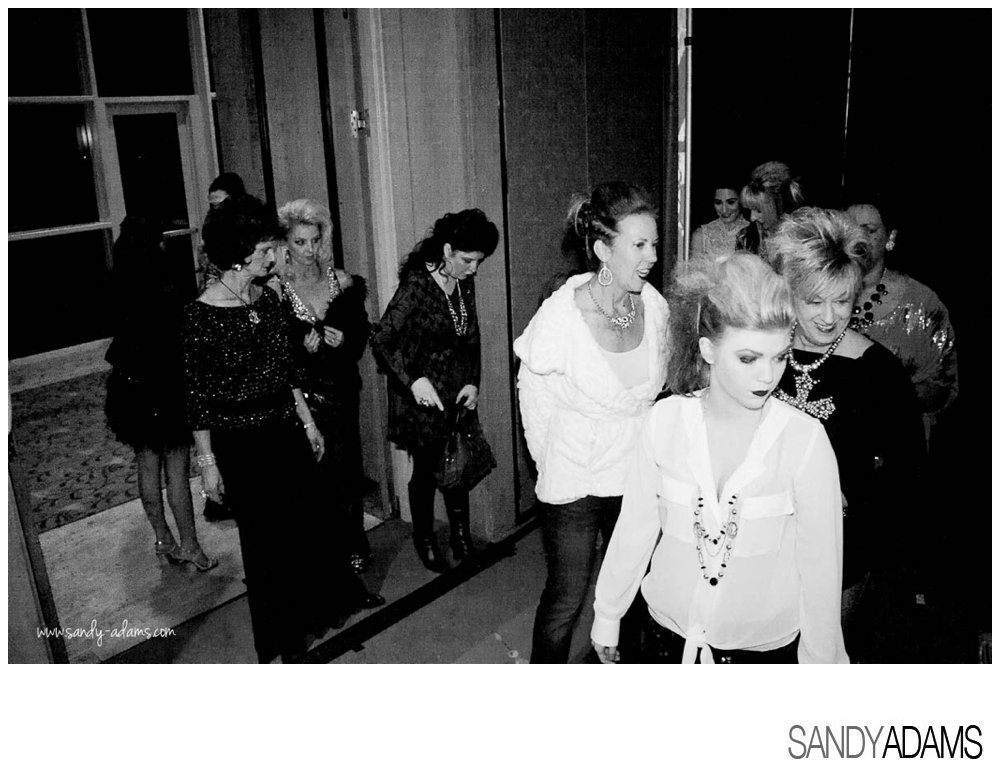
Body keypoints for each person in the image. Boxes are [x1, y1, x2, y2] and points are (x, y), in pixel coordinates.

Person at [591, 253, 848, 665]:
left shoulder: (805, 441)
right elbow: (635, 527)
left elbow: (821, 571)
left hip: (761, 657)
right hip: (662, 640)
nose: (768, 375)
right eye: (748, 358)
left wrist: (821, 665)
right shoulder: (664, 422)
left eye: (780, 356)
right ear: (708, 350)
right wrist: (608, 613)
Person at [181, 195, 383, 664]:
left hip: (285, 429)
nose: (274, 258)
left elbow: (285, 370)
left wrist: (308, 423)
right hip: (241, 444)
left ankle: (318, 610)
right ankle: (282, 637)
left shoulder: (265, 297)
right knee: (265, 543)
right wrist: (208, 463)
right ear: (238, 254)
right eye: (265, 250)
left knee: (306, 527)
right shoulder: (200, 314)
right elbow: (197, 399)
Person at [514, 182, 670, 664]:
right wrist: (549, 460)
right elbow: (533, 394)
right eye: (638, 245)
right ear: (603, 249)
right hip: (577, 472)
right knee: (567, 597)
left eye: (654, 244)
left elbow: (660, 393)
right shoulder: (562, 313)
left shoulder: (653, 306)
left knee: (638, 585)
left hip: (636, 470)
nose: (652, 257)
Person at [769, 207, 925, 658]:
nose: (828, 316)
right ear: (788, 294)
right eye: (813, 301)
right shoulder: (762, 353)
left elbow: (908, 480)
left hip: (841, 556)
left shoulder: (878, 372)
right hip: (763, 546)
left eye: (841, 301)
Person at [370, 209, 499, 572]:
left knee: (458, 464)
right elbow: (382, 338)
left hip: (456, 393)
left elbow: (471, 338)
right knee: (426, 471)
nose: (474, 269)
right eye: (468, 260)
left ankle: (460, 537)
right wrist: (413, 379)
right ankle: (425, 540)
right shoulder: (416, 285)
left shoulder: (463, 281)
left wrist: (473, 381)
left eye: (479, 262)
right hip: (422, 399)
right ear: (446, 251)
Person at [104, 215, 218, 571]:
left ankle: (162, 538)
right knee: (177, 470)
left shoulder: (117, 280)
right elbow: (183, 335)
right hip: (167, 385)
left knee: (146, 464)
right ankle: (191, 546)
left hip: (131, 384)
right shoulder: (166, 284)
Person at [275, 198, 373, 573]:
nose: (309, 250)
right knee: (311, 480)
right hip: (300, 400)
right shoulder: (276, 290)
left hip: (342, 392)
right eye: (300, 242)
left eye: (315, 240)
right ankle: (320, 559)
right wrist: (303, 351)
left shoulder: (341, 281)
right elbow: (276, 355)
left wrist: (343, 341)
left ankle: (354, 547)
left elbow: (361, 336)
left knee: (347, 472)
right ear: (285, 243)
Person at [844, 199, 958, 436]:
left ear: (890, 238)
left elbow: (943, 385)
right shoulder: (817, 297)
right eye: (849, 228)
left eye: (869, 230)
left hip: (899, 437)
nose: (858, 238)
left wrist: (886, 397)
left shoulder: (922, 303)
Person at [736, 160, 806, 264]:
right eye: (750, 210)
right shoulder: (745, 238)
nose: (752, 218)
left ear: (779, 208)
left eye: (759, 211)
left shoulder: (802, 240)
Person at [688, 182, 748, 263]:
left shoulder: (753, 231)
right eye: (718, 203)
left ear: (742, 201)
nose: (724, 210)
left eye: (731, 202)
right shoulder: (701, 235)